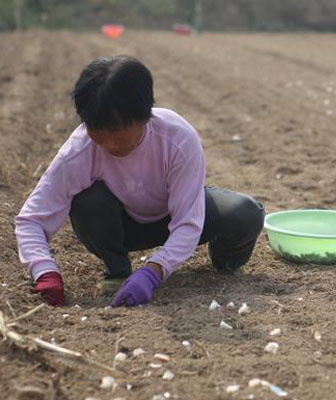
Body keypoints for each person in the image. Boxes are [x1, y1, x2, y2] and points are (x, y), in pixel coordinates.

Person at [15, 55, 265, 307]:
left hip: (170, 215)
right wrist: (45, 272)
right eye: (98, 133)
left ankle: (225, 264)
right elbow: (31, 219)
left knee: (245, 212)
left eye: (117, 132)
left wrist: (154, 271)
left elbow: (188, 223)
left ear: (144, 116)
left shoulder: (177, 138)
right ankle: (117, 270)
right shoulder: (79, 150)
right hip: (120, 226)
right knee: (87, 200)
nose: (109, 144)